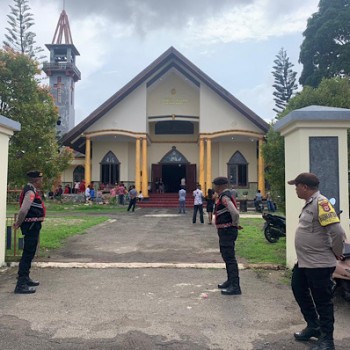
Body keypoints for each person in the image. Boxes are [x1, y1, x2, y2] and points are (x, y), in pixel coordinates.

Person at [288, 172, 345, 350]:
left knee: (323, 301)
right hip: (305, 262)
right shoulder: (309, 204)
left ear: (304, 187)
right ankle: (313, 326)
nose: (295, 189)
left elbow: (337, 231)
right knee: (298, 288)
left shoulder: (322, 203)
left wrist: (338, 252)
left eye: (296, 186)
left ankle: (327, 340)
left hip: (319, 263)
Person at [13, 171, 45, 294]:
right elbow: (24, 210)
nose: (41, 182)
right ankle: (20, 284)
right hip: (31, 226)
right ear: (36, 180)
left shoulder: (31, 189)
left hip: (33, 225)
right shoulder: (30, 191)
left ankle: (25, 278)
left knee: (30, 253)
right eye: (40, 180)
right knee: (27, 253)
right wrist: (18, 223)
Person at [213, 176, 242, 296]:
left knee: (230, 258)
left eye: (215, 185)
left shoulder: (224, 197)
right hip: (225, 231)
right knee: (227, 257)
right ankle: (230, 281)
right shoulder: (224, 196)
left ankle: (235, 286)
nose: (213, 187)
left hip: (227, 231)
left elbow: (235, 213)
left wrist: (234, 225)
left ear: (220, 186)